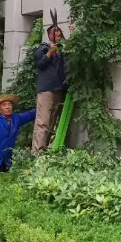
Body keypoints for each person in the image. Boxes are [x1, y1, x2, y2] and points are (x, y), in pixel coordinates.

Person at [31, 9, 67, 155]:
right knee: (42, 122)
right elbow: (40, 64)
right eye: (55, 32)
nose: (58, 34)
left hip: (58, 89)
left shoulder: (62, 50)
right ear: (49, 35)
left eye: (59, 32)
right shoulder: (43, 48)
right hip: (46, 90)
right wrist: (49, 52)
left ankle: (44, 151)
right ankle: (36, 153)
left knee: (51, 122)